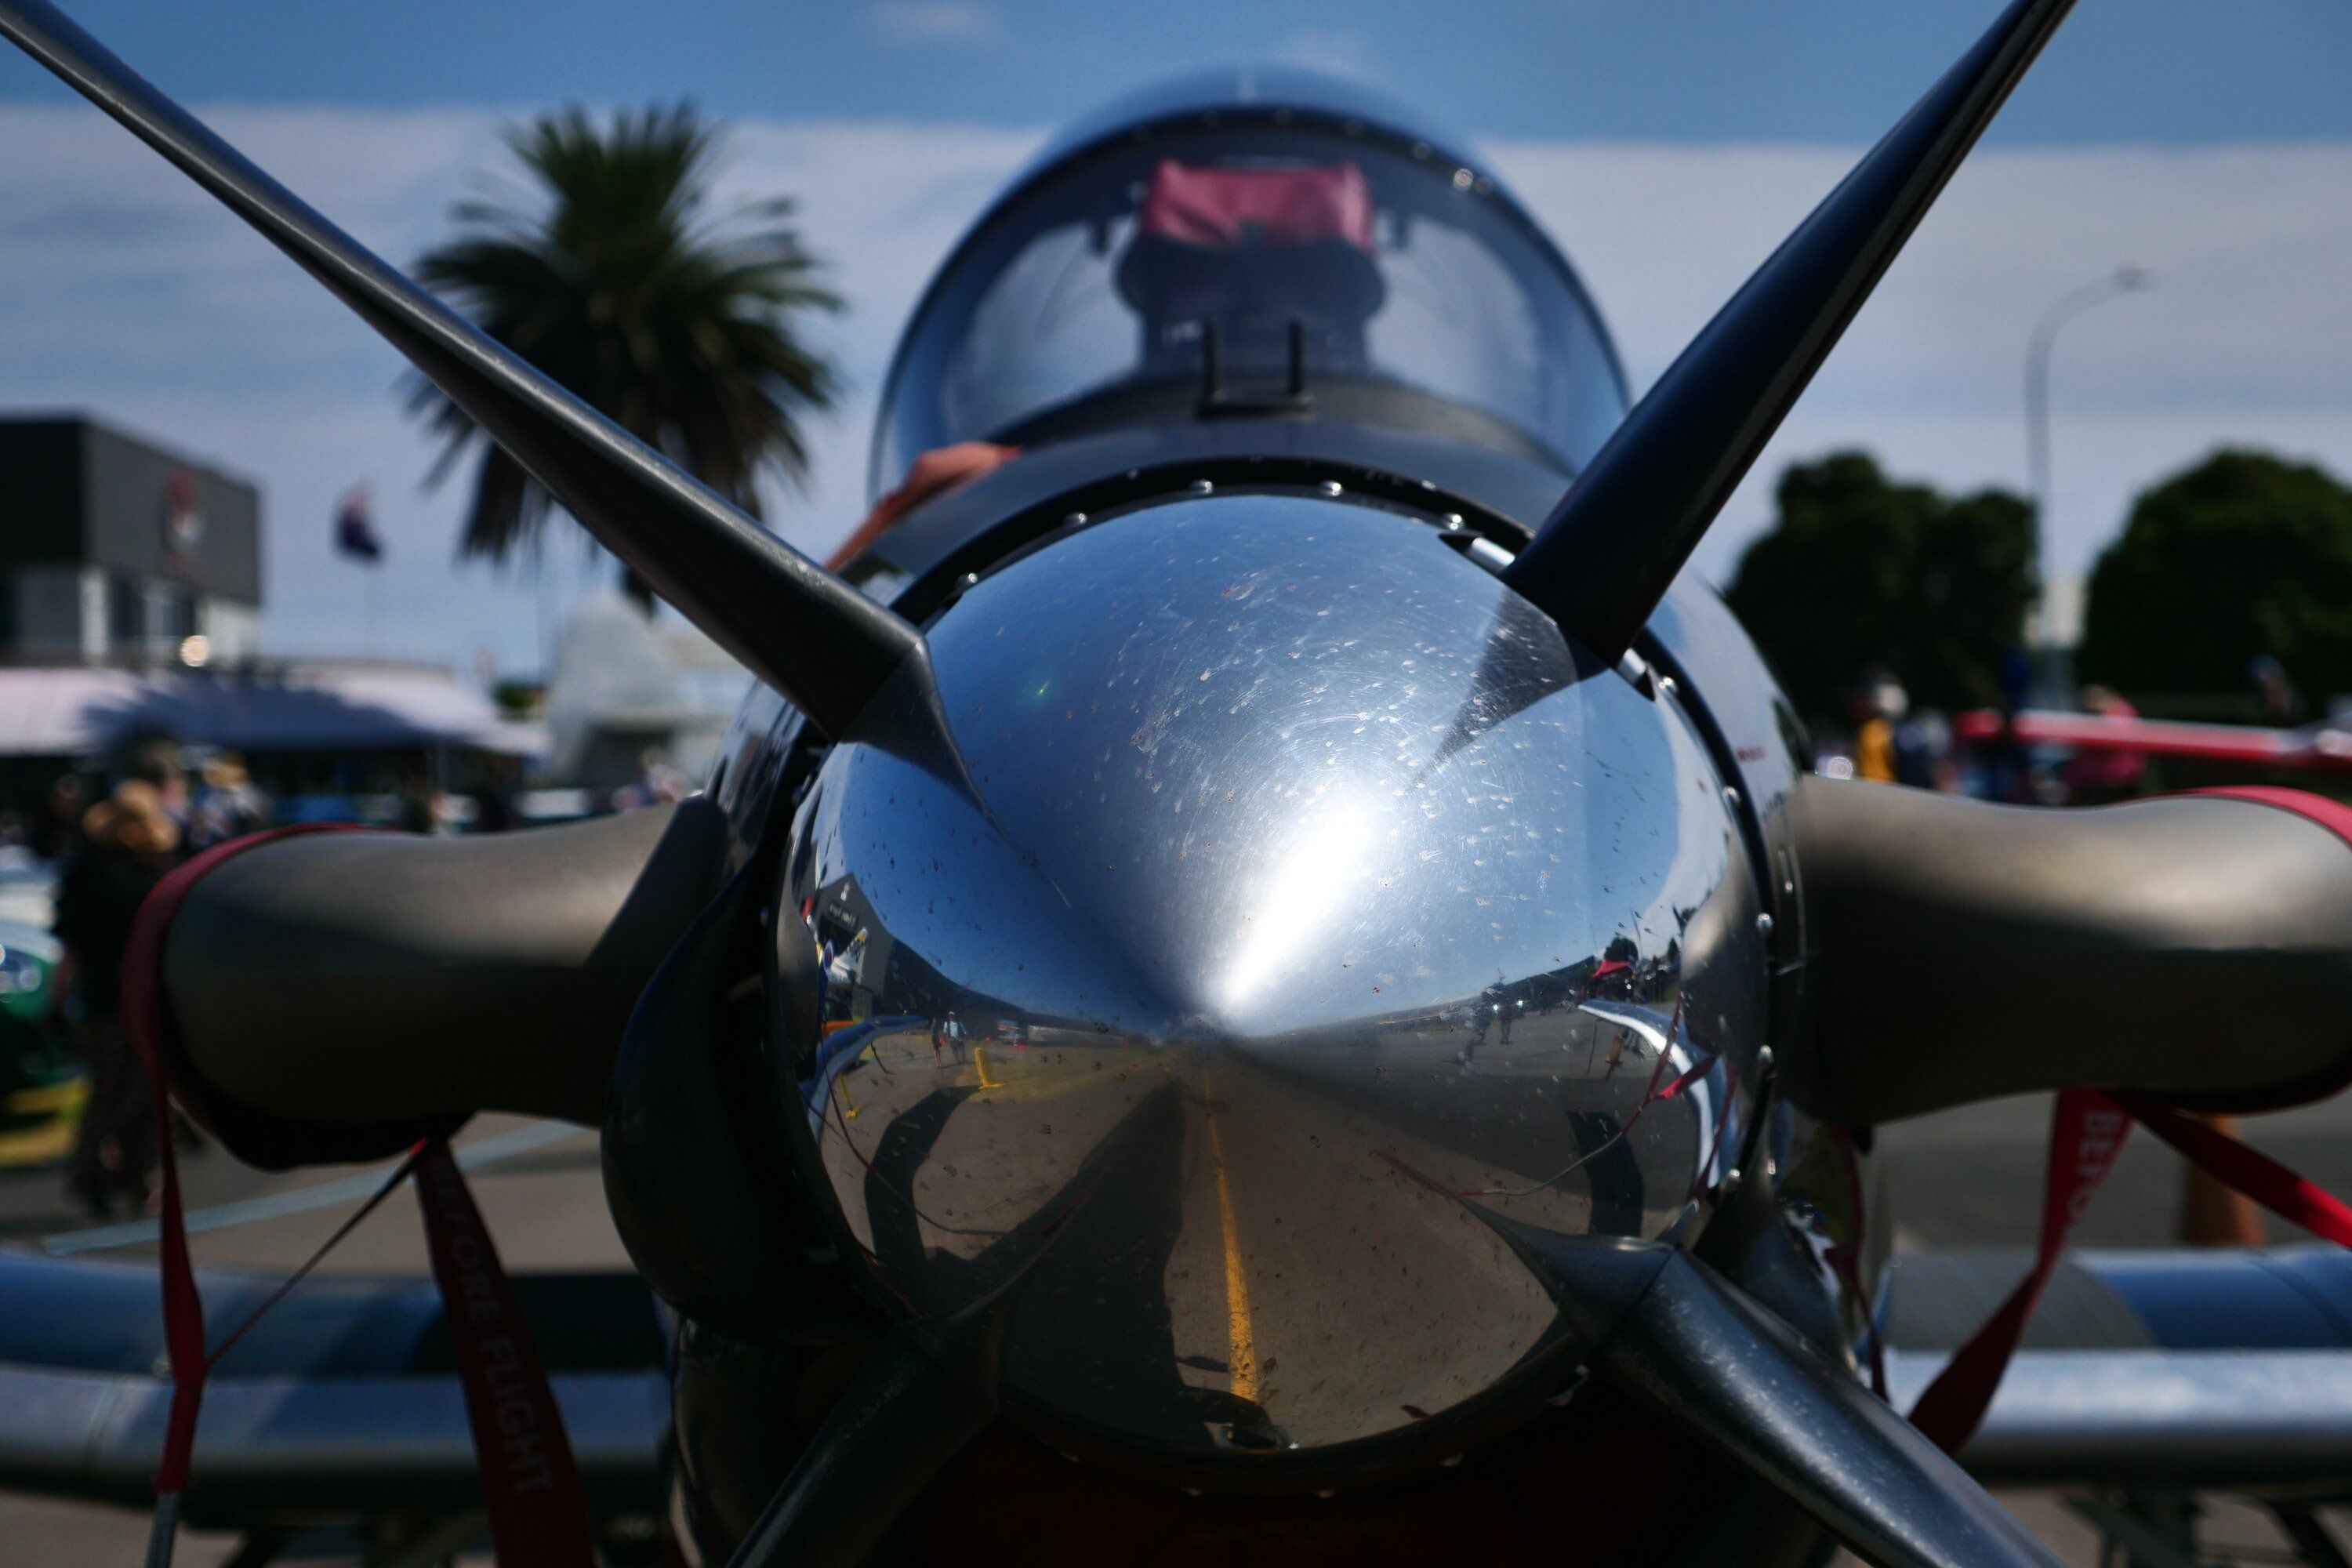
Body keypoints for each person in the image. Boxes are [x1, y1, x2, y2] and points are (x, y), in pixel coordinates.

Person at [53, 779, 185, 1218]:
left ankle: (102, 1173)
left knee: (117, 1091)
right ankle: (132, 1175)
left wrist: (58, 1000)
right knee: (144, 1092)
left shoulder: (91, 870)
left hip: (109, 998)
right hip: (145, 998)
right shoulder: (161, 871)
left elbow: (71, 946)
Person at [188, 752, 273, 849]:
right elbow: (199, 820)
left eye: (229, 767)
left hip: (242, 845)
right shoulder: (209, 793)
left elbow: (262, 817)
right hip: (212, 846)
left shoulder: (251, 795)